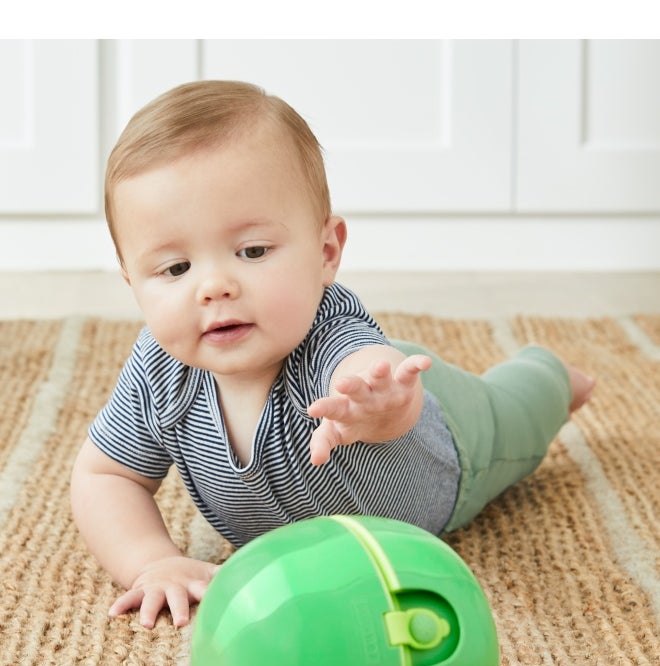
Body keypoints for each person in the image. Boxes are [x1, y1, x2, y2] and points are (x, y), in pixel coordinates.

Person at [70, 80, 595, 629]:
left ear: (326, 252)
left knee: (518, 411)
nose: (214, 286)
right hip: (381, 386)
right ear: (132, 280)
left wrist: (381, 400)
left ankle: (553, 374)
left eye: (252, 251)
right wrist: (153, 561)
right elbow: (107, 477)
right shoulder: (159, 369)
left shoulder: (330, 334)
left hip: (443, 435)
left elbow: (363, 368)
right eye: (175, 269)